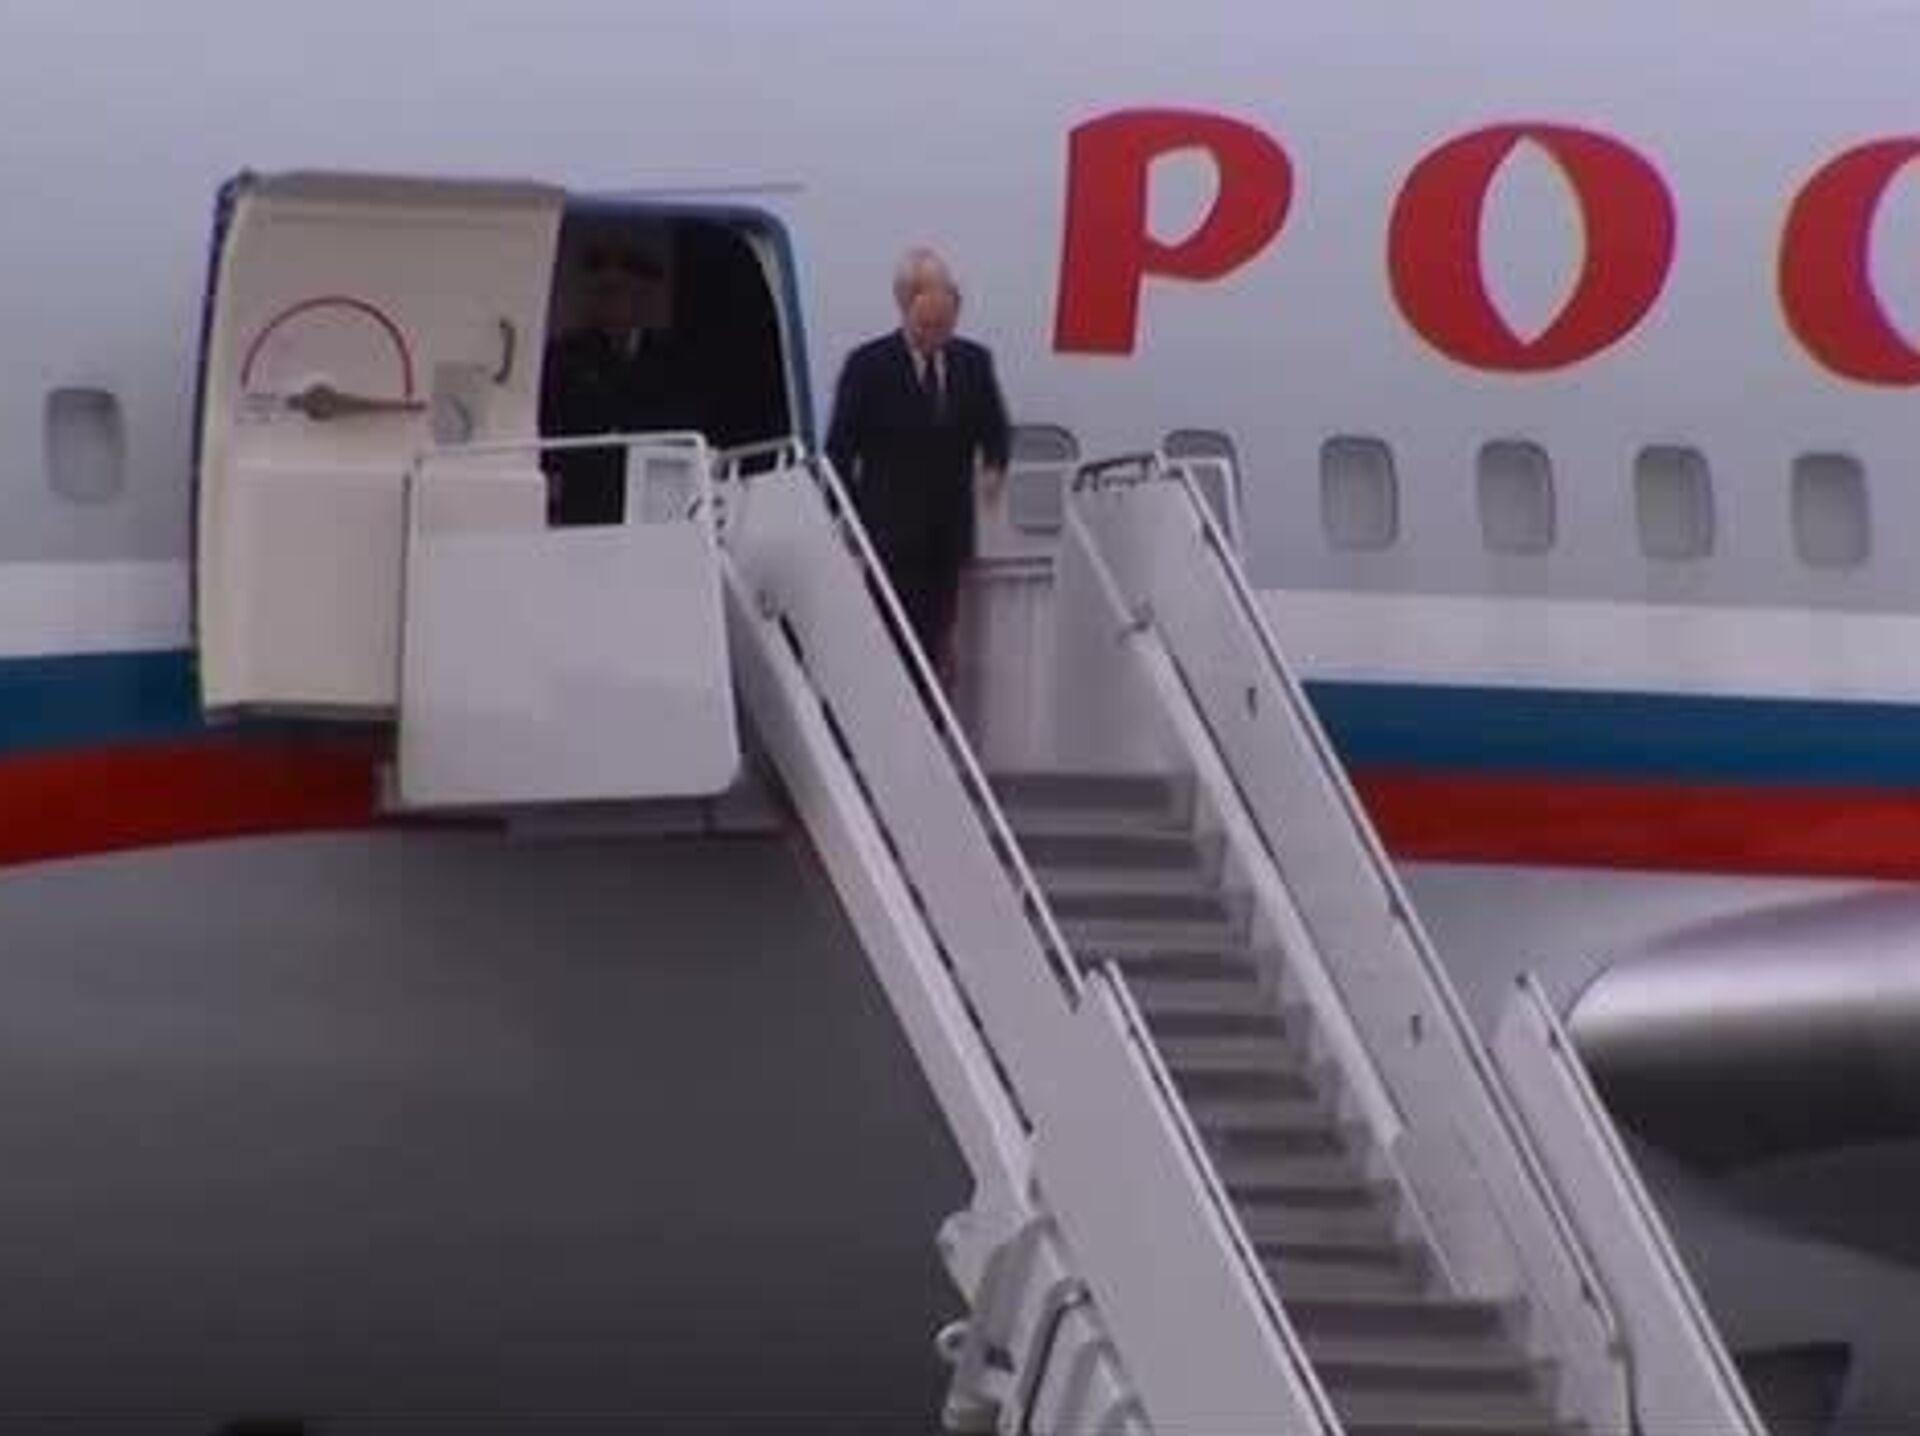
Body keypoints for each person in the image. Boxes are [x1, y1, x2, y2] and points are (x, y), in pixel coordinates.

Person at [824, 248, 1010, 687]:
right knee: (892, 640)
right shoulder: (868, 366)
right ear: (904, 308)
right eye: (928, 326)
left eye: (946, 325)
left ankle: (932, 715)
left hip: (948, 532)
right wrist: (848, 519)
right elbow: (839, 449)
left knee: (937, 640)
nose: (936, 336)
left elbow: (995, 428)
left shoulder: (973, 362)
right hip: (889, 536)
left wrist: (993, 466)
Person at [539, 239, 681, 525]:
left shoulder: (672, 358)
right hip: (585, 501)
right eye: (601, 292)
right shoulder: (564, 355)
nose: (610, 303)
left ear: (643, 297)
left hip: (653, 503)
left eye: (620, 292)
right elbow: (550, 425)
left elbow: (681, 424)